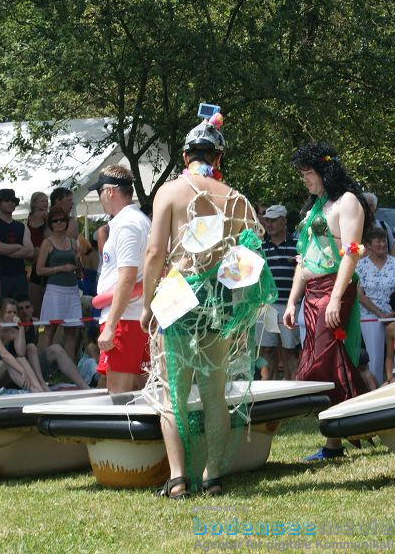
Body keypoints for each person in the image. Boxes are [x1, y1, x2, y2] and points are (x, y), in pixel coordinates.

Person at [141, 112, 276, 497]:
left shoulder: (169, 191)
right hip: (217, 297)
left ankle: (179, 477)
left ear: (186, 156)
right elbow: (251, 254)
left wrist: (147, 304)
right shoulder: (234, 198)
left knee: (171, 391)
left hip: (177, 291)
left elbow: (154, 253)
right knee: (214, 391)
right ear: (219, 159)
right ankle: (212, 475)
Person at [282, 141, 374, 461]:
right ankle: (336, 443)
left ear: (325, 170)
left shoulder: (347, 202)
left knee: (325, 363)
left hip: (335, 290)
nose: (305, 179)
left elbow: (351, 252)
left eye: (308, 172)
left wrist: (336, 299)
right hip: (312, 293)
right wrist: (293, 301)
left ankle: (362, 423)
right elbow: (303, 260)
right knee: (330, 365)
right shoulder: (313, 208)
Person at [89, 165, 151, 393]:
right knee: (140, 391)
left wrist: (111, 326)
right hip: (133, 316)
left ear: (109, 191)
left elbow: (127, 277)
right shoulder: (137, 221)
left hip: (125, 319)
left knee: (119, 394)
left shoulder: (127, 224)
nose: (100, 197)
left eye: (99, 191)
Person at [254, 204, 301, 381]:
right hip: (265, 306)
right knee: (267, 349)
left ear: (284, 221)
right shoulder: (260, 247)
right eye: (267, 221)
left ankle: (295, 391)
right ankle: (267, 387)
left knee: (290, 350)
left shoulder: (297, 246)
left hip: (289, 305)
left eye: (274, 220)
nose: (270, 224)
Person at [355, 226, 395, 383]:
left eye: (384, 240)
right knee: (375, 356)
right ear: (368, 245)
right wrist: (380, 314)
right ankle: (376, 388)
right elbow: (359, 295)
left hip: (394, 314)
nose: (382, 244)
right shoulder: (360, 265)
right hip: (370, 315)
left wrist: (394, 312)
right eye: (377, 241)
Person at [35, 204, 83, 368]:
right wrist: (61, 268)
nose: (59, 223)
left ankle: (68, 368)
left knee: (71, 331)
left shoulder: (72, 242)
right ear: (51, 224)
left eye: (62, 220)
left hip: (72, 289)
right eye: (55, 221)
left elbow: (79, 270)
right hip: (54, 290)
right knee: (49, 330)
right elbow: (39, 270)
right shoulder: (47, 243)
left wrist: (78, 262)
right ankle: (46, 367)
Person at [0, 188, 34, 299]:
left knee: (22, 312)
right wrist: (18, 246)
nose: (10, 202)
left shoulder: (22, 227)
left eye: (13, 200)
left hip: (20, 276)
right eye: (6, 200)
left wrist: (2, 247)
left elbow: (30, 252)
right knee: (0, 312)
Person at [0, 298, 47, 392]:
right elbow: (4, 354)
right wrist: (22, 371)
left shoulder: (14, 332)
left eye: (15, 312)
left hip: (4, 375)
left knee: (20, 359)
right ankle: (34, 391)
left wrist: (21, 328)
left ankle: (39, 389)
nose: (12, 315)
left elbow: (21, 353)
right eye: (9, 312)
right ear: (0, 314)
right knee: (7, 362)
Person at [26, 191, 49, 316]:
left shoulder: (46, 216)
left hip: (42, 254)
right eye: (42, 200)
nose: (45, 203)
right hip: (34, 257)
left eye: (46, 200)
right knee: (35, 305)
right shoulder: (31, 217)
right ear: (34, 203)